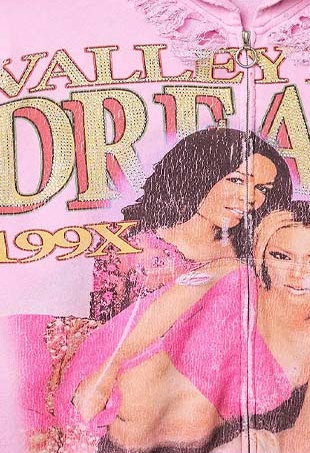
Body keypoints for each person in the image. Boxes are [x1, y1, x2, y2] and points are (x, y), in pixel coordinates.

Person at [39, 202, 310, 453]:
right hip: (97, 424)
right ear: (263, 256)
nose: (297, 274)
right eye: (282, 256)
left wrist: (243, 452)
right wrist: (102, 378)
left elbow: (305, 443)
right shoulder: (231, 275)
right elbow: (146, 323)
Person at [89, 127, 293, 321]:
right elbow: (102, 335)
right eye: (237, 180)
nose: (250, 197)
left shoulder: (256, 252)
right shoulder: (127, 244)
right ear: (198, 174)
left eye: (263, 189)